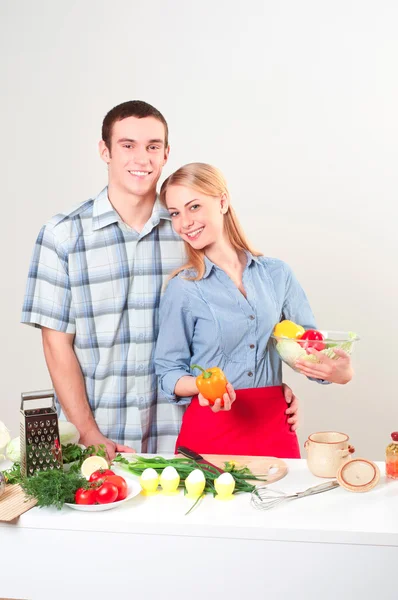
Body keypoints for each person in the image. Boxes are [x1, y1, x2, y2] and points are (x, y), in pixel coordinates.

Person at [21, 102, 300, 459]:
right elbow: (55, 346)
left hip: (187, 437)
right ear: (104, 150)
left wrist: (269, 391)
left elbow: (245, 316)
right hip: (101, 436)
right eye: (127, 145)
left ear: (166, 153)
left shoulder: (191, 230)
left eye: (153, 146)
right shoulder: (62, 237)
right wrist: (89, 433)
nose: (142, 157)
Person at [154, 163, 353, 457]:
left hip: (274, 423)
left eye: (193, 206)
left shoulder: (277, 274)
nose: (184, 222)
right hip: (211, 427)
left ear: (222, 201)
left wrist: (340, 372)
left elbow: (309, 348)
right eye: (175, 213)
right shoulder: (183, 288)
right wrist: (203, 386)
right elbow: (168, 372)